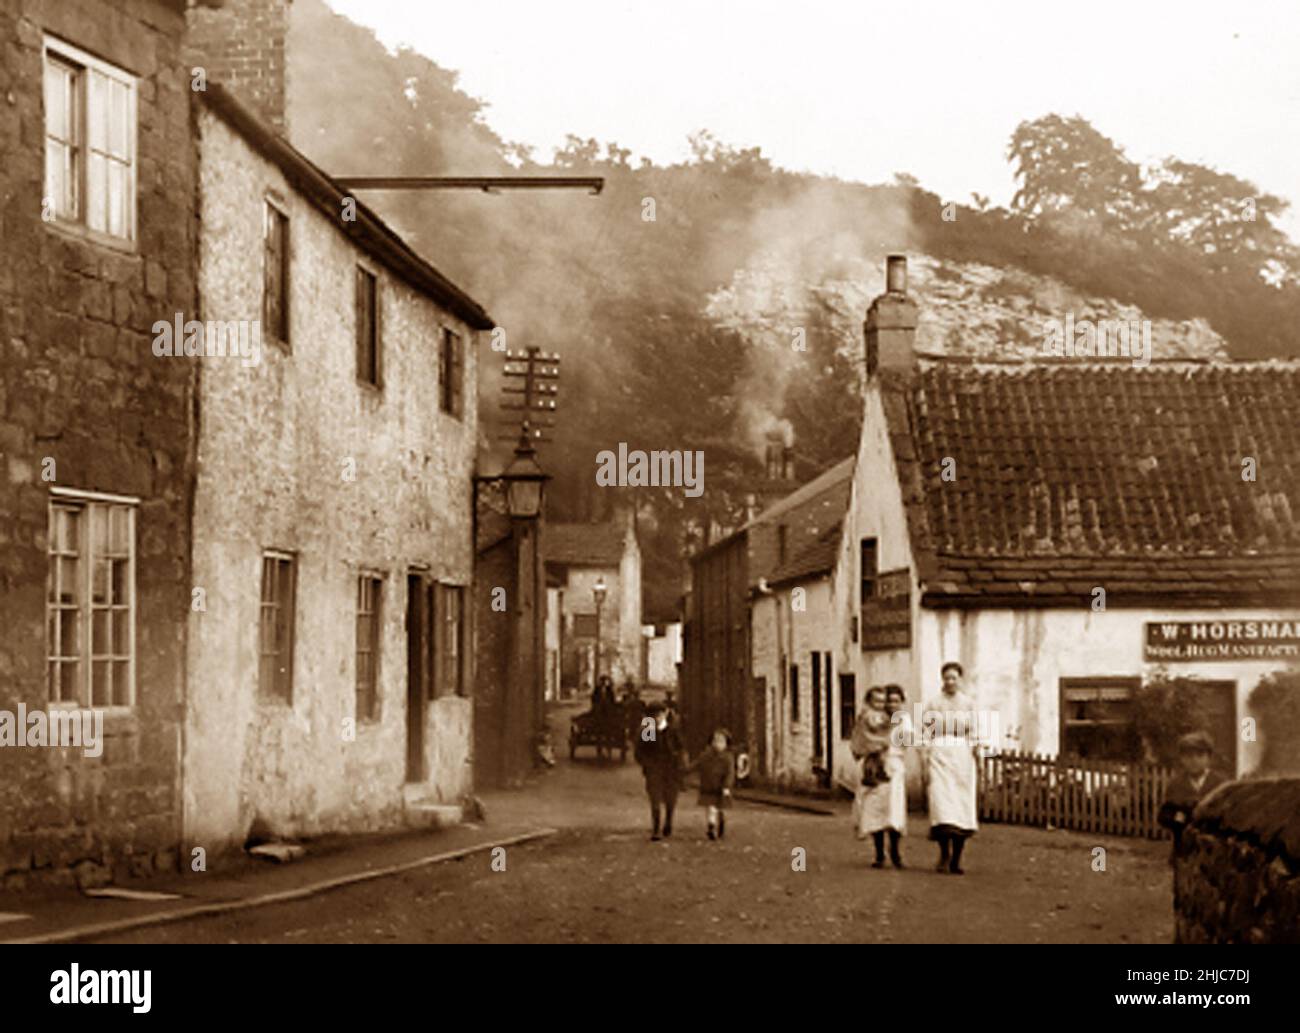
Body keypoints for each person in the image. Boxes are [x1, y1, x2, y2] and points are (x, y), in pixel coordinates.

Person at [924, 661, 979, 874]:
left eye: (954, 677)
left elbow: (975, 731)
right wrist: (926, 755)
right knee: (941, 805)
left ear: (960, 679)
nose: (950, 681)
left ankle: (957, 858)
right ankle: (944, 853)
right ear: (942, 679)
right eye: (946, 677)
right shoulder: (933, 703)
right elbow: (925, 731)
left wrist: (976, 751)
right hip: (939, 754)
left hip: (962, 756)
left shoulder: (968, 704)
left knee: (961, 807)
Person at [853, 685, 910, 868]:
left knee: (893, 810)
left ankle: (895, 850)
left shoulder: (901, 719)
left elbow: (906, 741)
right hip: (873, 767)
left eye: (895, 700)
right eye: (888, 700)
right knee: (874, 808)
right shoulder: (872, 717)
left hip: (893, 766)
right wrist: (874, 746)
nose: (890, 704)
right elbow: (861, 738)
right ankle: (878, 853)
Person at [1158, 731, 1228, 855]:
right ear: (1181, 759)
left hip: (1215, 853)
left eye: (1200, 755)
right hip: (1184, 851)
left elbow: (1229, 816)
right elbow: (1165, 816)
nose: (1194, 760)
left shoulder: (1221, 784)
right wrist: (1181, 818)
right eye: (1189, 756)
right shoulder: (1176, 784)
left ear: (1209, 758)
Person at [634, 701, 684, 840]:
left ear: (666, 713)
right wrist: (647, 764)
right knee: (655, 799)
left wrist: (679, 763)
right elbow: (640, 751)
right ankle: (656, 828)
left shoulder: (673, 728)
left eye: (660, 715)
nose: (657, 718)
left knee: (670, 798)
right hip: (654, 769)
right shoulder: (648, 730)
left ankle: (668, 822)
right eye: (654, 716)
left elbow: (681, 748)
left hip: (671, 769)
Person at [688, 727, 736, 840]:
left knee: (720, 809)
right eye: (715, 740)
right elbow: (696, 765)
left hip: (721, 787)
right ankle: (711, 826)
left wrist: (727, 786)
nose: (717, 744)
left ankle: (721, 823)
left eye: (721, 741)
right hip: (708, 786)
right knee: (710, 808)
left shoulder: (728, 758)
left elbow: (730, 773)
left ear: (726, 744)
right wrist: (685, 770)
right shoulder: (705, 755)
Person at [853, 686, 892, 788]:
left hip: (876, 739)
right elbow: (872, 724)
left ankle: (880, 772)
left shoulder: (880, 713)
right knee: (871, 758)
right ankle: (869, 775)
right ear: (869, 701)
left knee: (880, 757)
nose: (880, 704)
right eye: (877, 701)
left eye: (882, 702)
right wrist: (883, 723)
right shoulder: (868, 713)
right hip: (869, 738)